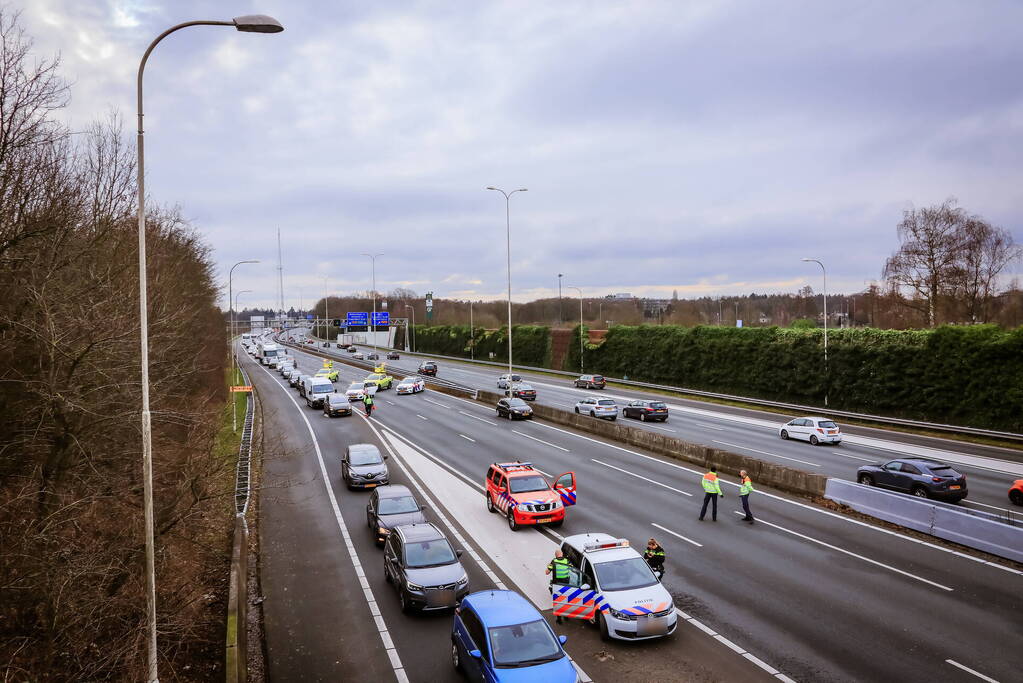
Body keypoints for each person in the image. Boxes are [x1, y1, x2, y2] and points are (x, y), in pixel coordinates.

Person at [545, 550, 572, 623]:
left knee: (558, 602)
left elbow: (547, 572)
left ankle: (559, 619)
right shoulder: (567, 561)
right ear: (562, 554)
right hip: (566, 585)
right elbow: (572, 570)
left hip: (557, 585)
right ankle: (566, 616)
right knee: (566, 600)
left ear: (556, 555)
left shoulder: (553, 562)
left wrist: (548, 566)